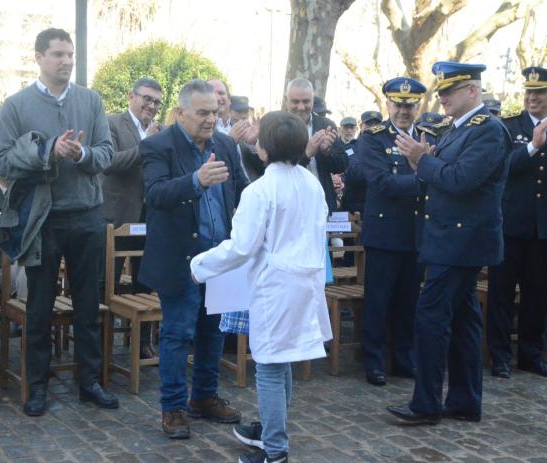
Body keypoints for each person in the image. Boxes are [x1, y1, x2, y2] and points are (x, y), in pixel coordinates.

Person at [191, 111, 331, 463]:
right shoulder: (311, 183)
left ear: (263, 148)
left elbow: (241, 247)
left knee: (268, 365)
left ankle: (275, 449)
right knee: (281, 362)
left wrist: (198, 266)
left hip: (277, 287)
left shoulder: (261, 190)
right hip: (305, 283)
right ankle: (272, 429)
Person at [0, 27, 116, 416]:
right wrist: (48, 151)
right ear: (38, 57)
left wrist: (79, 155)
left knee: (87, 304)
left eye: (70, 55)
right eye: (58, 54)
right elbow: (0, 162)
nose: (65, 62)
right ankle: (38, 387)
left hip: (86, 215)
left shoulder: (91, 101)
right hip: (41, 220)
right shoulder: (15, 106)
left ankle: (90, 382)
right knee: (40, 306)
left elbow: (107, 154)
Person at [387, 61, 511, 424]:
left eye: (449, 91)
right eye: (440, 91)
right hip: (451, 239)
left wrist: (421, 160)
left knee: (430, 319)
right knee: (464, 321)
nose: (441, 97)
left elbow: (460, 181)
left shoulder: (487, 130)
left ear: (473, 91)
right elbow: (441, 179)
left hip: (461, 243)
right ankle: (464, 401)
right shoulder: (457, 130)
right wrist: (421, 165)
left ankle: (425, 404)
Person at [139, 79, 247, 439]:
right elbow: (155, 194)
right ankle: (173, 408)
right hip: (181, 259)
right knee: (178, 333)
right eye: (202, 113)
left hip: (221, 259)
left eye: (215, 112)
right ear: (180, 112)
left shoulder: (226, 145)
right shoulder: (158, 146)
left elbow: (242, 192)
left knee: (213, 333)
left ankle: (203, 397)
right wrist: (195, 181)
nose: (211, 120)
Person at [487, 67, 547, 379]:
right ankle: (499, 356)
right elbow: (504, 168)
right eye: (529, 92)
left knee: (536, 295)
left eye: (540, 92)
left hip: (544, 227)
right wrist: (534, 145)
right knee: (501, 293)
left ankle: (531, 355)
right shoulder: (508, 127)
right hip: (510, 224)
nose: (533, 97)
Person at [356, 77, 427, 386]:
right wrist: (426, 180)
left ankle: (403, 358)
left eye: (409, 106)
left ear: (418, 106)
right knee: (378, 300)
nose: (403, 111)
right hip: (384, 234)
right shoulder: (373, 138)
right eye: (398, 104)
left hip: (416, 234)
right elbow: (382, 182)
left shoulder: (428, 135)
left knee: (408, 301)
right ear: (387, 104)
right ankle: (373, 361)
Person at [102, 77, 164, 359]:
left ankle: (142, 342)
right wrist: (145, 145)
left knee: (146, 280)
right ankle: (102, 347)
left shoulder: (156, 132)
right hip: (117, 216)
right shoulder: (111, 123)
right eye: (147, 99)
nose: (151, 105)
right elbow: (110, 162)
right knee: (108, 282)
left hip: (149, 215)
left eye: (156, 102)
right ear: (131, 96)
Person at [284, 78, 347, 215]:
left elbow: (342, 164)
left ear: (313, 100)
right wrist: (306, 155)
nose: (301, 107)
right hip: (290, 206)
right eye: (295, 102)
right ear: (286, 100)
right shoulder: (278, 127)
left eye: (306, 101)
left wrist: (327, 153)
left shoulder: (326, 124)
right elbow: (278, 170)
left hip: (322, 203)